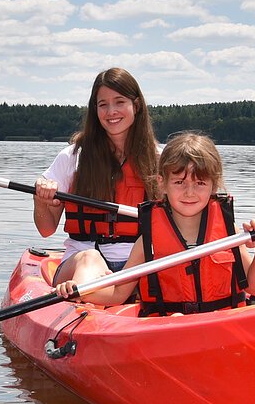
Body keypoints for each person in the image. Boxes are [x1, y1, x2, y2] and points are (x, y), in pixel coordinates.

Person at [55, 131, 255, 314]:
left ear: (213, 186)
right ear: (163, 183)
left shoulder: (228, 232)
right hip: (167, 326)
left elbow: (254, 287)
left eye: (200, 183)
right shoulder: (147, 242)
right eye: (179, 182)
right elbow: (118, 294)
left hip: (220, 324)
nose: (189, 192)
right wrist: (78, 290)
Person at [33, 67, 160, 288]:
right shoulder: (72, 157)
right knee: (90, 258)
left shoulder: (160, 160)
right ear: (95, 109)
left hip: (139, 265)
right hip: (82, 261)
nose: (111, 111)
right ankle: (86, 307)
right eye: (103, 104)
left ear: (136, 106)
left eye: (119, 102)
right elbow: (46, 229)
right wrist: (41, 199)